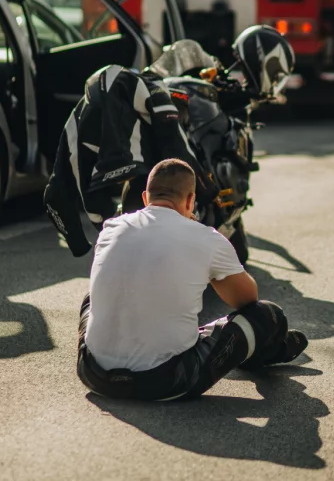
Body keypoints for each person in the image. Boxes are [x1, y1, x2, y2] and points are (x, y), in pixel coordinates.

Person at [77, 158, 308, 400]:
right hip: (165, 381)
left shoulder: (111, 227)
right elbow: (248, 299)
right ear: (190, 201)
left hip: (94, 375)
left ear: (146, 198)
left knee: (91, 299)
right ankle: (269, 351)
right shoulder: (206, 237)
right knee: (267, 315)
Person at [44, 57, 218, 257]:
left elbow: (58, 193)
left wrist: (96, 236)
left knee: (92, 193)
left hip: (114, 165)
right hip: (139, 167)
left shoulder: (78, 124)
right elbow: (176, 144)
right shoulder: (153, 87)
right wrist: (207, 191)